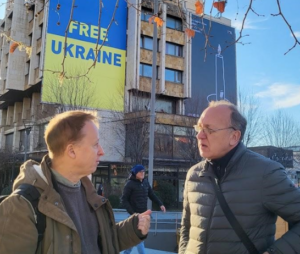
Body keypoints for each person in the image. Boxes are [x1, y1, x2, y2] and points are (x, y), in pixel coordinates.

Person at [0, 111, 151, 254]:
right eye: (95, 144)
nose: (101, 151)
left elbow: (100, 244)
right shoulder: (21, 206)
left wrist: (133, 228)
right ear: (71, 151)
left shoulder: (90, 195)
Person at [179, 100, 300, 254]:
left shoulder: (265, 172)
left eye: (209, 130)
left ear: (234, 136)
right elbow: (186, 228)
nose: (199, 135)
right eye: (199, 127)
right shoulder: (193, 175)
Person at [121, 164, 166, 254]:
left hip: (143, 214)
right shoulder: (130, 184)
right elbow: (124, 200)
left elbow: (151, 194)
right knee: (139, 238)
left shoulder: (145, 182)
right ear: (135, 173)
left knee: (134, 238)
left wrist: (160, 204)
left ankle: (126, 253)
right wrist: (133, 213)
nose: (142, 173)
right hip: (133, 215)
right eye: (140, 171)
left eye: (143, 171)